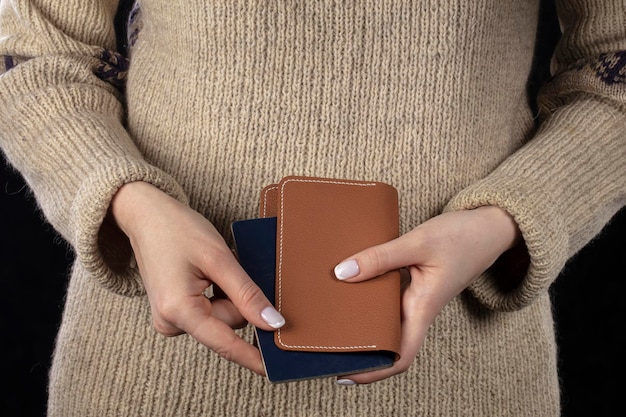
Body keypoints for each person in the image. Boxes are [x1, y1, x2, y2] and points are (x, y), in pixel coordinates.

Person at [1, 0, 624, 415]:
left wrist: (513, 216)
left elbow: (615, 64)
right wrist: (129, 203)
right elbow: (30, 49)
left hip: (469, 374)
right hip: (151, 369)